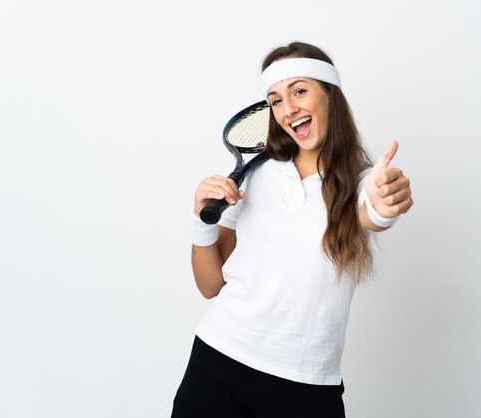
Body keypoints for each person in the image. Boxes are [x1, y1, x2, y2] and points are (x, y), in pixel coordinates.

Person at [172, 41, 413, 418]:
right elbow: (210, 286)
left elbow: (373, 213)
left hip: (305, 384)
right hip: (218, 360)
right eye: (275, 100)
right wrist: (200, 219)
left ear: (330, 96)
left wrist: (385, 204)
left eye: (299, 90)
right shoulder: (253, 175)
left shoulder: (362, 181)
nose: (288, 109)